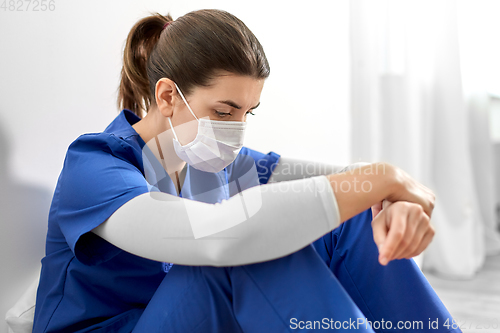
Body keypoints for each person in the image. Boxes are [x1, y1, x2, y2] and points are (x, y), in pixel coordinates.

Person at [32, 9, 461, 333]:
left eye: (246, 113)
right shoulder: (96, 166)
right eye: (223, 111)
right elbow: (219, 238)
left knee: (346, 219)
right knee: (245, 244)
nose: (235, 130)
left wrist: (390, 193)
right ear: (167, 97)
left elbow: (349, 180)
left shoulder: (221, 164)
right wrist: (382, 180)